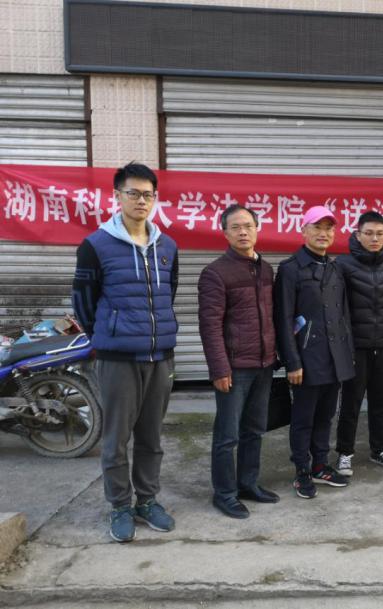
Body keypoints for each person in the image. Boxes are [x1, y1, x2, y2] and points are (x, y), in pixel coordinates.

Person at [71, 162, 178, 543]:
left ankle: (147, 501)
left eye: (148, 194)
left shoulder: (167, 246)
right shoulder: (95, 246)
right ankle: (119, 505)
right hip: (117, 359)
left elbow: (168, 294)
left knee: (151, 437)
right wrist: (108, 336)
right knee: (116, 438)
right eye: (133, 193)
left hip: (160, 356)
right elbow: (84, 303)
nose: (141, 201)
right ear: (117, 196)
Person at [198, 204, 279, 519]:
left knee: (254, 430)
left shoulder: (266, 269)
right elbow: (210, 326)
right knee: (227, 435)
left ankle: (248, 484)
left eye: (248, 225)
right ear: (225, 233)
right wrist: (219, 368)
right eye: (235, 227)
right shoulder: (216, 273)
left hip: (264, 365)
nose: (243, 232)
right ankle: (224, 493)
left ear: (257, 229)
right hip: (234, 369)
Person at [273, 206, 354, 499]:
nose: (323, 233)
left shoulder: (334, 268)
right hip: (307, 359)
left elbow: (343, 315)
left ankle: (320, 465)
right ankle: (302, 471)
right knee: (303, 418)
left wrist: (346, 355)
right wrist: (292, 362)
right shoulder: (290, 269)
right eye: (317, 227)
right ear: (303, 230)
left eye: (329, 228)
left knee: (325, 416)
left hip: (334, 358)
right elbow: (283, 319)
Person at [334, 211, 383, 474]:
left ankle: (380, 449)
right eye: (369, 233)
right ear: (357, 235)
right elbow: (337, 304)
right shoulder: (342, 265)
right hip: (355, 348)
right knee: (351, 403)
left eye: (380, 233)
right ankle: (345, 452)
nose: (375, 238)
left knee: (381, 402)